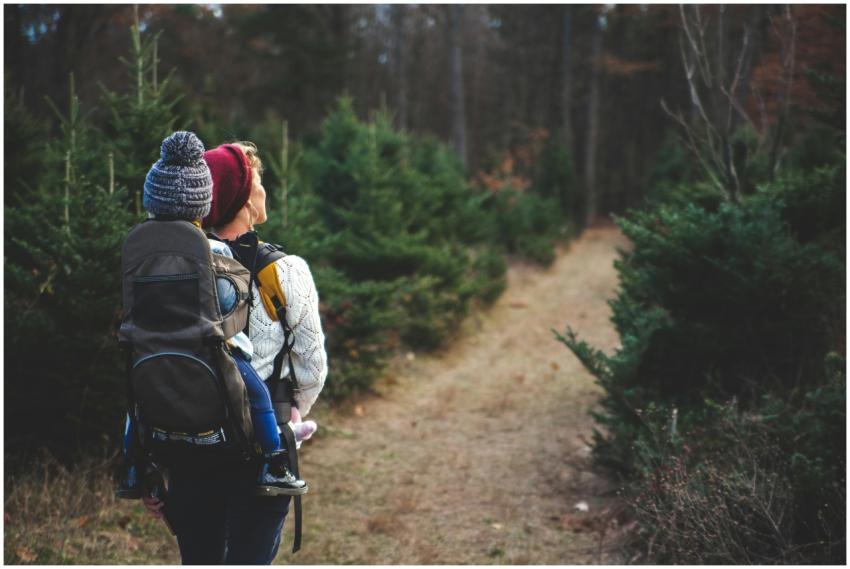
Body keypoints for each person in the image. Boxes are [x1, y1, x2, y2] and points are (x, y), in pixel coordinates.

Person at [142, 139, 328, 564]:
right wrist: (293, 415)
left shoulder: (175, 269)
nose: (264, 188)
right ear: (244, 197)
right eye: (258, 180)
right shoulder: (284, 271)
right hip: (260, 455)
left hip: (189, 447)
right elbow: (313, 367)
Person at [116, 131, 308, 501]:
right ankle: (275, 462)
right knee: (255, 392)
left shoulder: (139, 247)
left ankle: (132, 466)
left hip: (149, 343)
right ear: (201, 204)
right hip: (207, 343)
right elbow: (226, 297)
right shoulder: (212, 249)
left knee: (136, 403)